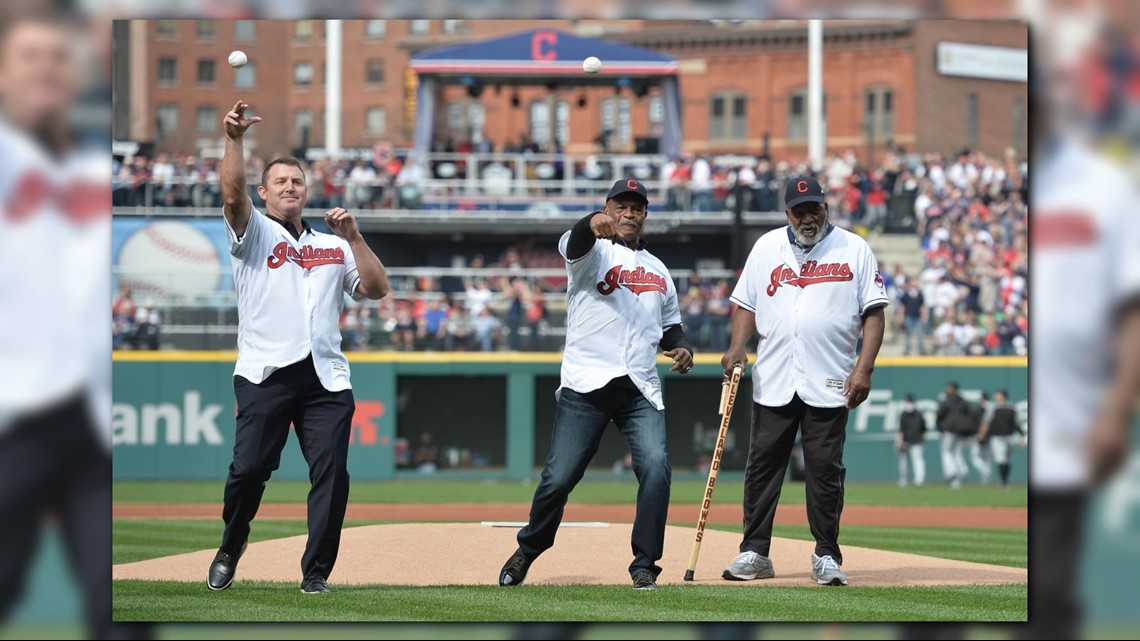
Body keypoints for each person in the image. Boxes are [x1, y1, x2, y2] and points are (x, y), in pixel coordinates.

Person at [0, 13, 150, 639]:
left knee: (117, 605)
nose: (44, 68)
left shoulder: (89, 171)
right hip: (13, 417)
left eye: (57, 58)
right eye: (28, 55)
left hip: (89, 422)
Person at [206, 100, 390, 595]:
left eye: (297, 182)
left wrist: (354, 238)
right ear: (264, 192)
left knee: (332, 476)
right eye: (280, 182)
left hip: (326, 378)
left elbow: (376, 289)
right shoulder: (253, 231)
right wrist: (233, 139)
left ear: (307, 192)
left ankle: (316, 573)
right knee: (248, 471)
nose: (290, 187)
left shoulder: (333, 244)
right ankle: (232, 542)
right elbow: (230, 194)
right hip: (266, 372)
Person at [499, 178, 694, 590]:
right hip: (586, 383)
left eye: (637, 208)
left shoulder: (659, 271)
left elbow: (670, 326)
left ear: (645, 215)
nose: (629, 214)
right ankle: (528, 550)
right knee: (559, 477)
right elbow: (574, 241)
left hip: (640, 387)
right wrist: (591, 223)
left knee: (657, 469)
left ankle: (645, 565)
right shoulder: (590, 253)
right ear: (607, 208)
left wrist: (680, 348)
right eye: (621, 206)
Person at [720, 175, 888, 586]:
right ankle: (755, 552)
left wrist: (863, 367)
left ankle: (827, 555)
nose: (807, 217)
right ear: (787, 213)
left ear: (826, 207)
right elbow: (745, 303)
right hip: (775, 375)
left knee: (825, 471)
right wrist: (737, 346)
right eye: (799, 211)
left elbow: (874, 311)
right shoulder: (766, 247)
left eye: (814, 208)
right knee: (762, 468)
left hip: (830, 377)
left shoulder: (854, 248)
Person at [976, 389, 1024, 489]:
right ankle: (1004, 481)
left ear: (1003, 396)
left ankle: (1005, 480)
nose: (996, 396)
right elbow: (986, 423)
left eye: (998, 395)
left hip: (1009, 436)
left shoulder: (1010, 407)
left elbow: (1017, 424)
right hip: (998, 437)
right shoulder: (995, 407)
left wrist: (1021, 436)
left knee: (1007, 460)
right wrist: (981, 434)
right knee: (1001, 459)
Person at [935, 382, 971, 489]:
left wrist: (941, 430)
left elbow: (939, 416)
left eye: (949, 388)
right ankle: (962, 471)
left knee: (946, 451)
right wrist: (967, 433)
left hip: (950, 430)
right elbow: (969, 416)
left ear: (952, 389)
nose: (947, 389)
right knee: (957, 452)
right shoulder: (963, 401)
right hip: (960, 430)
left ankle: (952, 472)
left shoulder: (947, 401)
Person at [896, 394, 927, 487]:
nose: (909, 404)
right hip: (906, 440)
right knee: (904, 461)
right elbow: (901, 429)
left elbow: (924, 428)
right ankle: (904, 480)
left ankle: (919, 480)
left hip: (916, 440)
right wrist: (900, 441)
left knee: (917, 460)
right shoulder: (904, 414)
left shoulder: (918, 414)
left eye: (910, 402)